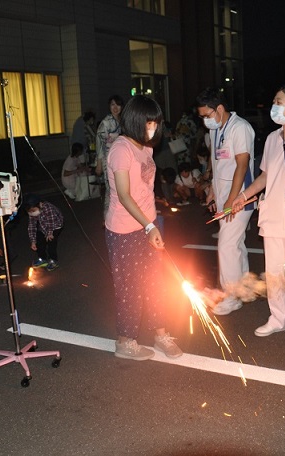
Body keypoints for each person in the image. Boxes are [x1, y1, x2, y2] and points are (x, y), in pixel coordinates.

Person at [230, 83, 285, 343]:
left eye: (279, 101)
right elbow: (265, 176)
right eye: (275, 101)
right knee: (273, 272)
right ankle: (277, 318)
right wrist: (243, 196)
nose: (274, 106)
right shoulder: (270, 139)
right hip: (272, 214)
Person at [105, 95, 183, 361]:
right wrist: (149, 226)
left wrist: (153, 222)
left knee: (156, 283)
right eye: (150, 123)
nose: (154, 128)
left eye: (156, 123)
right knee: (131, 287)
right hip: (126, 230)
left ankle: (160, 335)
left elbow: (145, 189)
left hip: (148, 224)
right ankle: (125, 341)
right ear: (137, 121)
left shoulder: (145, 148)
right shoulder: (120, 150)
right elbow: (125, 195)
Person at [196, 87, 255, 316]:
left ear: (219, 108)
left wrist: (232, 199)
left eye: (207, 115)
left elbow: (242, 164)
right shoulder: (216, 129)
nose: (204, 120)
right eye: (201, 116)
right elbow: (215, 159)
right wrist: (212, 187)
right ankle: (244, 288)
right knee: (235, 244)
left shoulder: (240, 128)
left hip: (240, 197)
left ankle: (231, 297)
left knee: (227, 245)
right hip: (223, 195)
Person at [94, 95, 124, 212]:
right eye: (112, 104)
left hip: (121, 158)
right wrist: (99, 163)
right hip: (109, 158)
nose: (115, 107)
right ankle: (108, 218)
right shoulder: (106, 123)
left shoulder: (122, 121)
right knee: (110, 187)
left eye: (118, 104)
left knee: (121, 187)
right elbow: (99, 143)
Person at [25, 194, 63, 271]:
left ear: (40, 204)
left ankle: (53, 260)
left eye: (33, 210)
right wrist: (33, 241)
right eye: (30, 212)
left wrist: (50, 233)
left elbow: (51, 221)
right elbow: (31, 226)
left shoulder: (48, 208)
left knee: (51, 242)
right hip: (43, 226)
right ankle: (42, 259)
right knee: (39, 241)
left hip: (55, 226)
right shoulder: (32, 213)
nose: (32, 213)